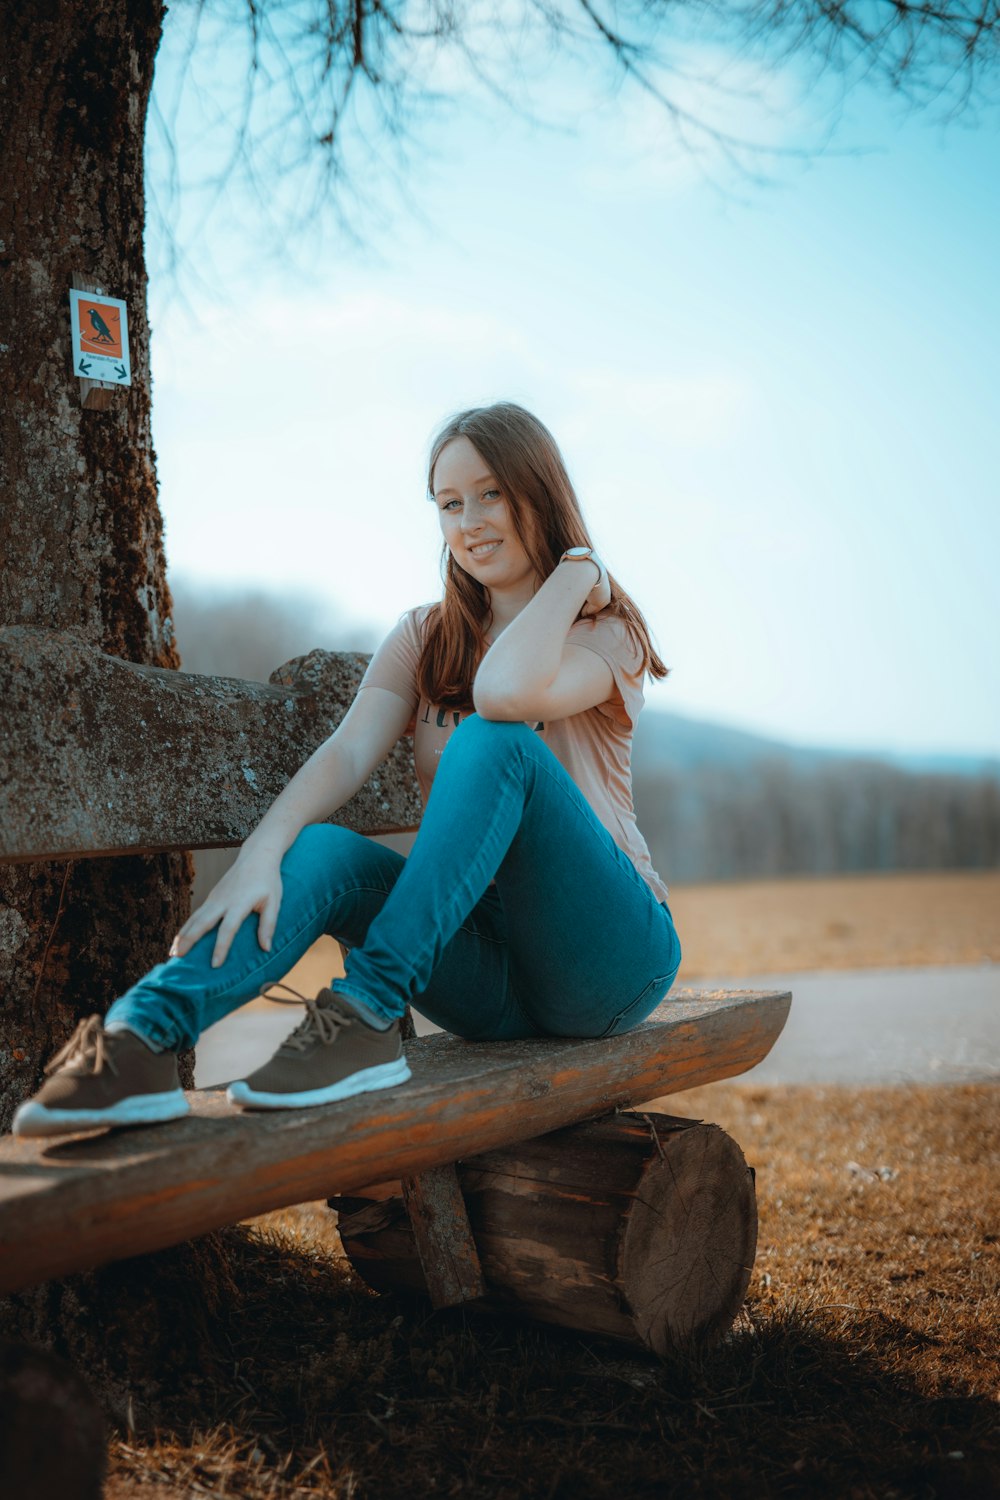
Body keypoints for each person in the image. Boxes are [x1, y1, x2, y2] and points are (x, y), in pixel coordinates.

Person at [13, 401, 682, 1140]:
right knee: (325, 849)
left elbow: (503, 695)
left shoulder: (605, 630)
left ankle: (363, 1013)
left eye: (491, 493)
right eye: (449, 504)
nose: (469, 522)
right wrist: (261, 855)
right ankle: (140, 1038)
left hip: (609, 960)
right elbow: (347, 752)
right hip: (486, 969)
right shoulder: (426, 635)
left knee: (495, 744)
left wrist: (575, 573)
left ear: (541, 491)